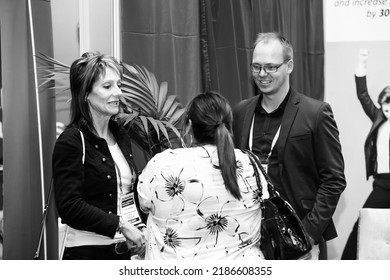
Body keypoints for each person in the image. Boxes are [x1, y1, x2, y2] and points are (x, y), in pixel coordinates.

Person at [232, 32, 346, 260]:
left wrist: (307, 233)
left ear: (289, 65)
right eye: (256, 67)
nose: (262, 74)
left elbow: (334, 180)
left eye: (271, 67)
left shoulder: (315, 113)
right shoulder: (241, 112)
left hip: (300, 239)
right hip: (250, 239)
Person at [137, 91, 266, 260]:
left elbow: (144, 204)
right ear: (229, 126)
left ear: (189, 125)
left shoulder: (162, 164)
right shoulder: (250, 163)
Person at [53, 52, 146, 260]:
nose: (118, 93)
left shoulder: (121, 134)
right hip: (87, 254)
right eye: (107, 86)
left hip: (123, 251)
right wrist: (121, 225)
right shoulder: (72, 140)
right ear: (85, 94)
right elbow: (69, 206)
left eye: (119, 85)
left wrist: (139, 226)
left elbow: (126, 193)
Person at [341, 49, 390, 259]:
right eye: (386, 109)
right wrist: (361, 62)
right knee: (362, 225)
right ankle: (347, 266)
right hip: (382, 184)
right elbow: (362, 94)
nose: (388, 113)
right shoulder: (378, 118)